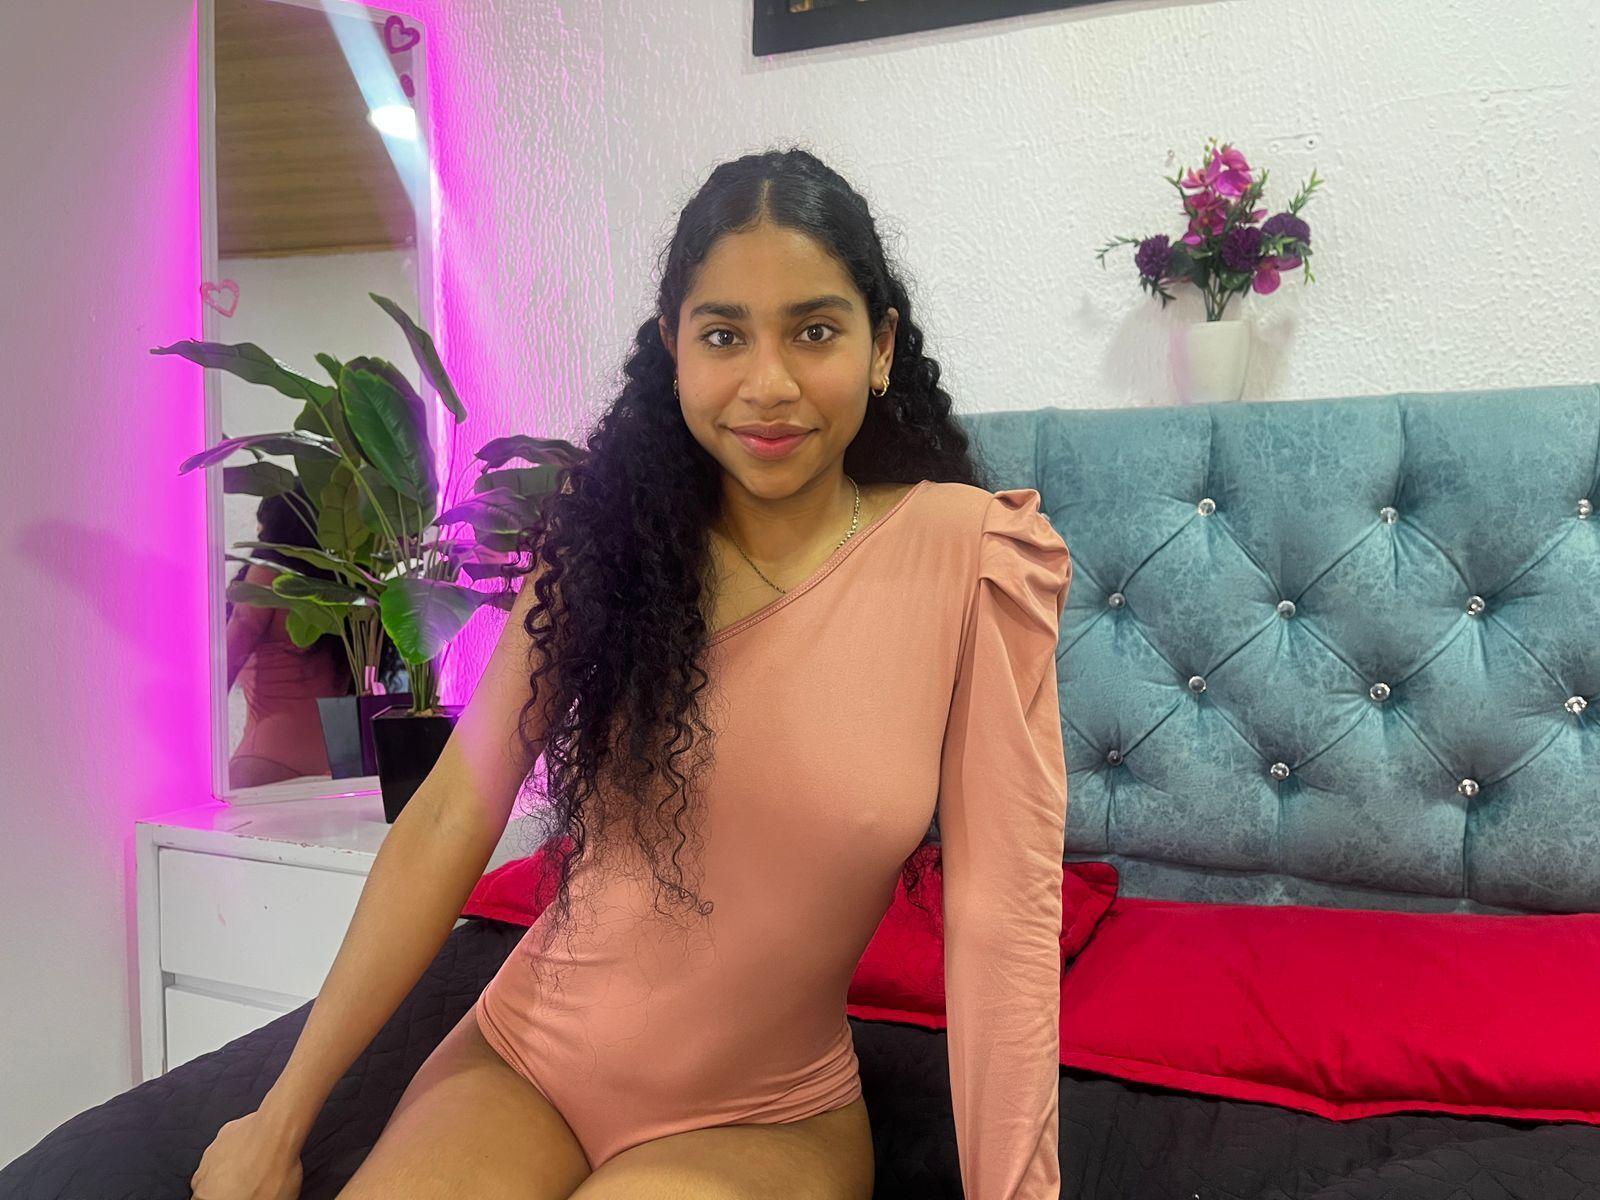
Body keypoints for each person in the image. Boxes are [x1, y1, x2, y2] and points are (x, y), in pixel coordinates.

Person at [189, 146, 1073, 1200]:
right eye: (724, 335)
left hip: (764, 1119)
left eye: (814, 331)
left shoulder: (974, 557)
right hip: (524, 1063)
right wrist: (278, 1120)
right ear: (673, 350)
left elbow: (1002, 917)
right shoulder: (608, 543)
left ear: (880, 346)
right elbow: (451, 815)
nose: (769, 384)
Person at [225, 486, 352, 788]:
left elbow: (233, 647)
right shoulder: (347, 583)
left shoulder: (270, 573)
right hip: (335, 764)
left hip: (269, 755)